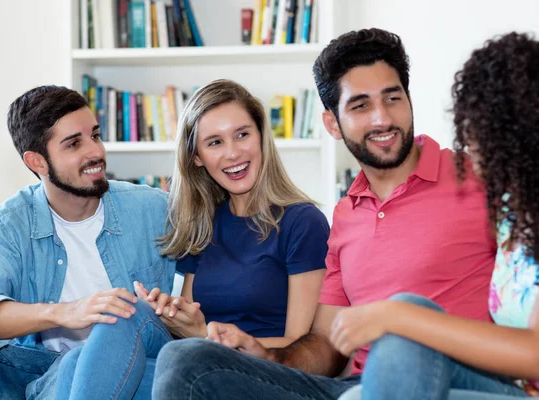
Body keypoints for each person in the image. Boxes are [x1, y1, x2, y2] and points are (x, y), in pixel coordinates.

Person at [152, 28, 497, 400]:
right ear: (333, 123)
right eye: (360, 105)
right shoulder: (346, 216)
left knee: (401, 332)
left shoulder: (479, 179)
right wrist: (264, 354)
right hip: (358, 387)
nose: (381, 119)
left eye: (392, 98)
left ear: (409, 101)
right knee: (185, 359)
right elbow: (324, 346)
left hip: (460, 378)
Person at [56, 79, 330, 399]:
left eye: (242, 134)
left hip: (261, 374)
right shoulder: (205, 222)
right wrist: (173, 314)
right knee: (94, 343)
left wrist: (204, 336)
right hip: (195, 360)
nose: (232, 153)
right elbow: (191, 316)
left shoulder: (302, 221)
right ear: (197, 157)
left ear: (261, 137)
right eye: (214, 142)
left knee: (91, 367)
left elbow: (296, 348)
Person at [336, 32, 539, 400]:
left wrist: (395, 316)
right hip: (510, 389)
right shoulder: (516, 215)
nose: (470, 146)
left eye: (479, 129)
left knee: (401, 320)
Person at [0, 85, 176, 400]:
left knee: (98, 337)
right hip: (45, 367)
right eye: (74, 144)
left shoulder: (153, 207)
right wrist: (62, 312)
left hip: (138, 361)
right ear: (37, 162)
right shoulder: (11, 221)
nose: (95, 152)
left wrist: (171, 307)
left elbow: (201, 286)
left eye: (95, 135)